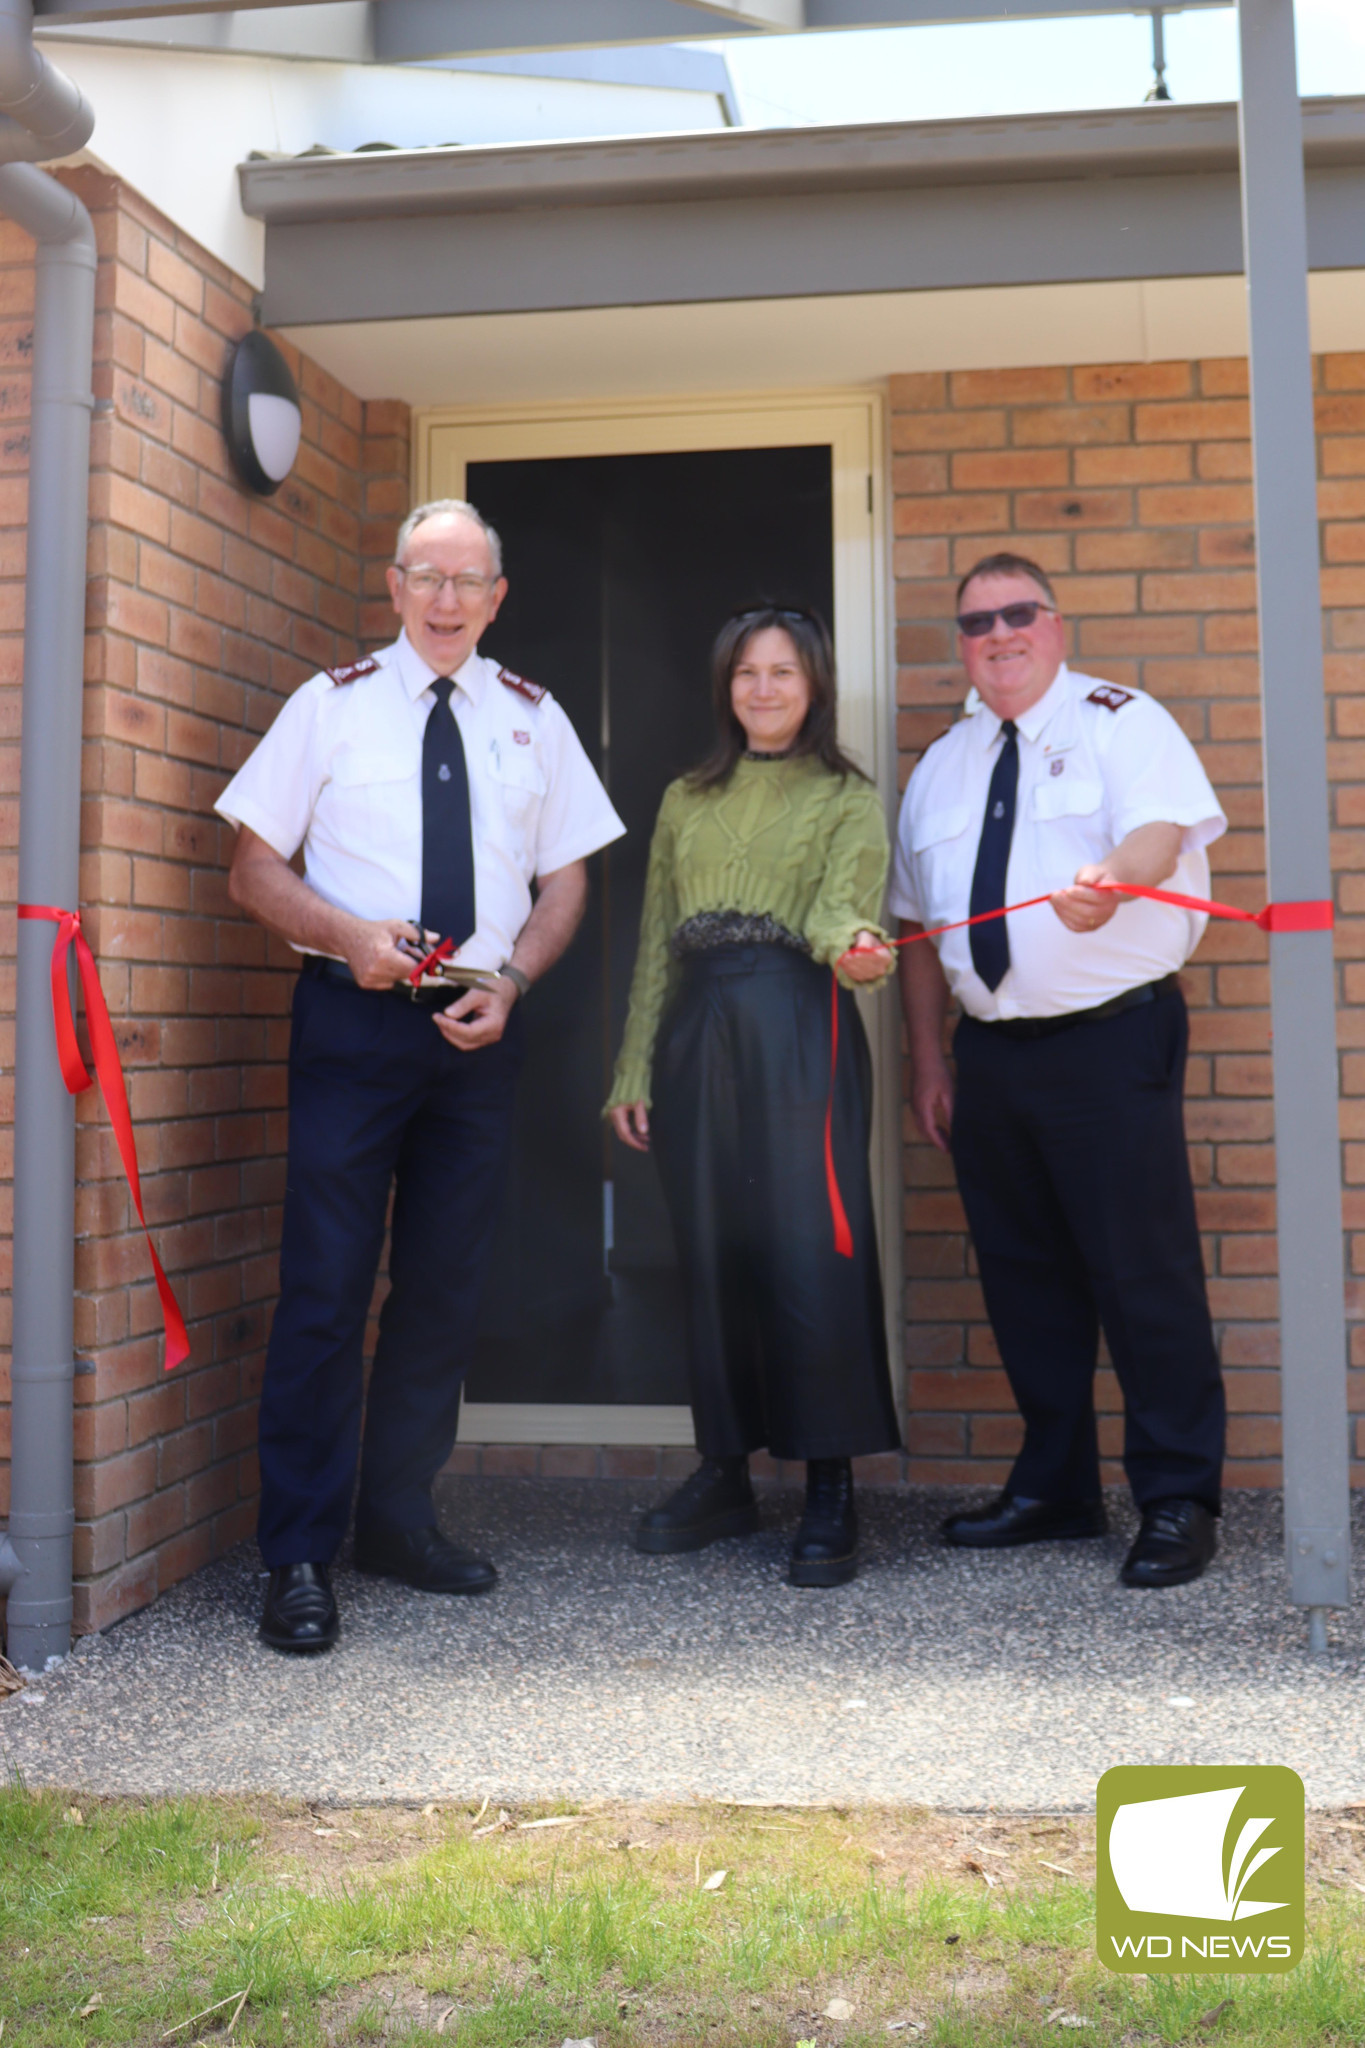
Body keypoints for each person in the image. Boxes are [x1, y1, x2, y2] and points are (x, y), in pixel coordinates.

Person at [216, 497, 624, 1653]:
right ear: (393, 587)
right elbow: (253, 870)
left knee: (444, 1290)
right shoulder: (328, 709)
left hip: (476, 1031)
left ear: (498, 598)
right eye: (426, 577)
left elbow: (566, 884)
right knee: (327, 1288)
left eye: (469, 581)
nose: (447, 601)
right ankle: (298, 1551)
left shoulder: (534, 721)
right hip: (355, 1025)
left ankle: (396, 1519)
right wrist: (347, 934)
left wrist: (519, 980)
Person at [890, 551, 1228, 1589]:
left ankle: (1177, 1497)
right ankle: (1057, 1487)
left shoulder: (1121, 719)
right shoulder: (942, 764)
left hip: (1108, 1039)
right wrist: (930, 1056)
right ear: (962, 642)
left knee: (1142, 1272)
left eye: (1017, 613)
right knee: (1025, 1280)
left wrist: (1114, 885)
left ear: (1055, 621)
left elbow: (1160, 835)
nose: (998, 633)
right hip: (992, 1057)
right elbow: (918, 927)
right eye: (976, 621)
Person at [607, 605, 900, 1588]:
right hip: (699, 1026)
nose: (764, 688)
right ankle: (725, 1469)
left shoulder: (844, 795)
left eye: (783, 671)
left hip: (795, 1021)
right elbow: (656, 937)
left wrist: (857, 954)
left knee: (809, 1250)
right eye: (746, 672)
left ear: (813, 685)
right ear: (725, 685)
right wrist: (634, 1066)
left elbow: (843, 913)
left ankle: (829, 1483)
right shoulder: (686, 797)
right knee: (713, 1252)